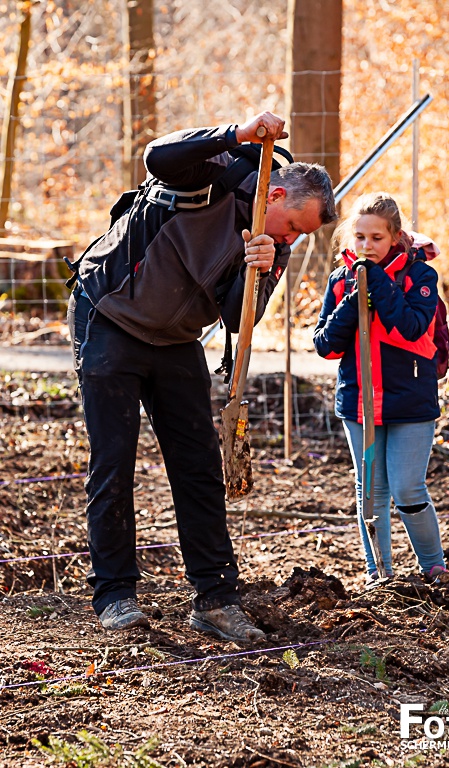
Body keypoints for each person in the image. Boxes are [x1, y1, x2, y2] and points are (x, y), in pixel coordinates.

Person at [67, 111, 337, 639]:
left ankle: (216, 599)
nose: (292, 239)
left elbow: (236, 317)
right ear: (275, 196)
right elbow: (157, 157)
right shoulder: (216, 171)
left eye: (300, 236)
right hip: (110, 318)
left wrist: (260, 270)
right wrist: (236, 133)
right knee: (113, 462)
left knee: (199, 468)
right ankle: (116, 595)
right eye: (293, 227)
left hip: (176, 340)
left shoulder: (276, 244)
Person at [313, 192, 447, 585]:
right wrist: (353, 300)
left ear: (395, 237)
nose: (367, 246)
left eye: (376, 238)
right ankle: (380, 573)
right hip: (359, 402)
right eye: (360, 237)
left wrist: (378, 284)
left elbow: (411, 328)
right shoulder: (340, 281)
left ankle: (434, 568)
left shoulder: (420, 277)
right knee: (371, 490)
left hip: (410, 402)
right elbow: (326, 345)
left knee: (407, 488)